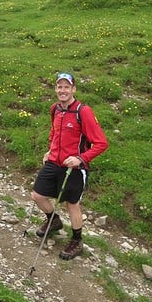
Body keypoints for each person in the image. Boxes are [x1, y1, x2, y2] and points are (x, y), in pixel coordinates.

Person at [31, 72, 108, 260]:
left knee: (72, 204)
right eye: (59, 87)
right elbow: (54, 131)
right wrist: (50, 149)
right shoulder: (55, 109)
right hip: (54, 162)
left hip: (74, 167)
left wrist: (81, 159)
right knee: (37, 195)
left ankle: (76, 240)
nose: (62, 90)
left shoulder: (83, 111)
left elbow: (101, 143)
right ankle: (53, 221)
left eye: (66, 87)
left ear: (74, 89)